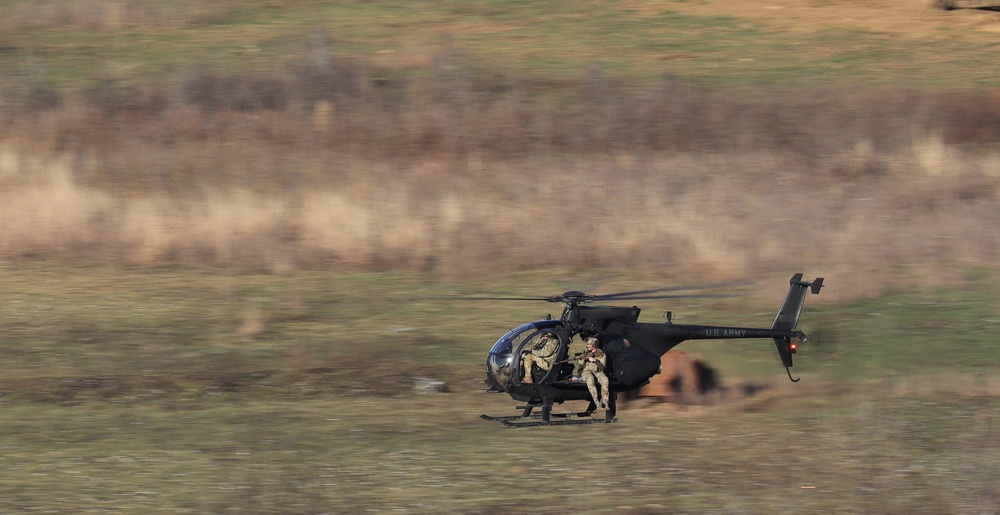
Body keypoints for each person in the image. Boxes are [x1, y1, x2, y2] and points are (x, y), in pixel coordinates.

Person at [573, 337, 610, 409]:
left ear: (594, 346)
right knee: (590, 379)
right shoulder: (586, 354)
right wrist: (577, 376)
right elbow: (580, 367)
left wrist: (595, 360)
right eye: (588, 345)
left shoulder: (601, 354)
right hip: (587, 371)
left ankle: (605, 401)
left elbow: (602, 367)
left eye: (590, 345)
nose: (588, 346)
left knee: (605, 380)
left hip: (598, 371)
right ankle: (596, 400)